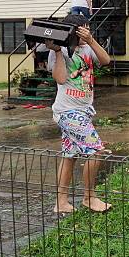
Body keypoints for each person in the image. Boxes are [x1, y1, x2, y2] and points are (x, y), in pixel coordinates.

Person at [45, 14, 111, 213]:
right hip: (67, 112)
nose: (86, 31)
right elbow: (61, 78)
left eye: (87, 28)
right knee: (97, 151)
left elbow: (106, 60)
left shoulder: (88, 47)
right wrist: (57, 52)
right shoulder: (61, 51)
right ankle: (89, 198)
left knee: (70, 155)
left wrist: (91, 40)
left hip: (83, 110)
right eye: (82, 29)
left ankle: (61, 202)